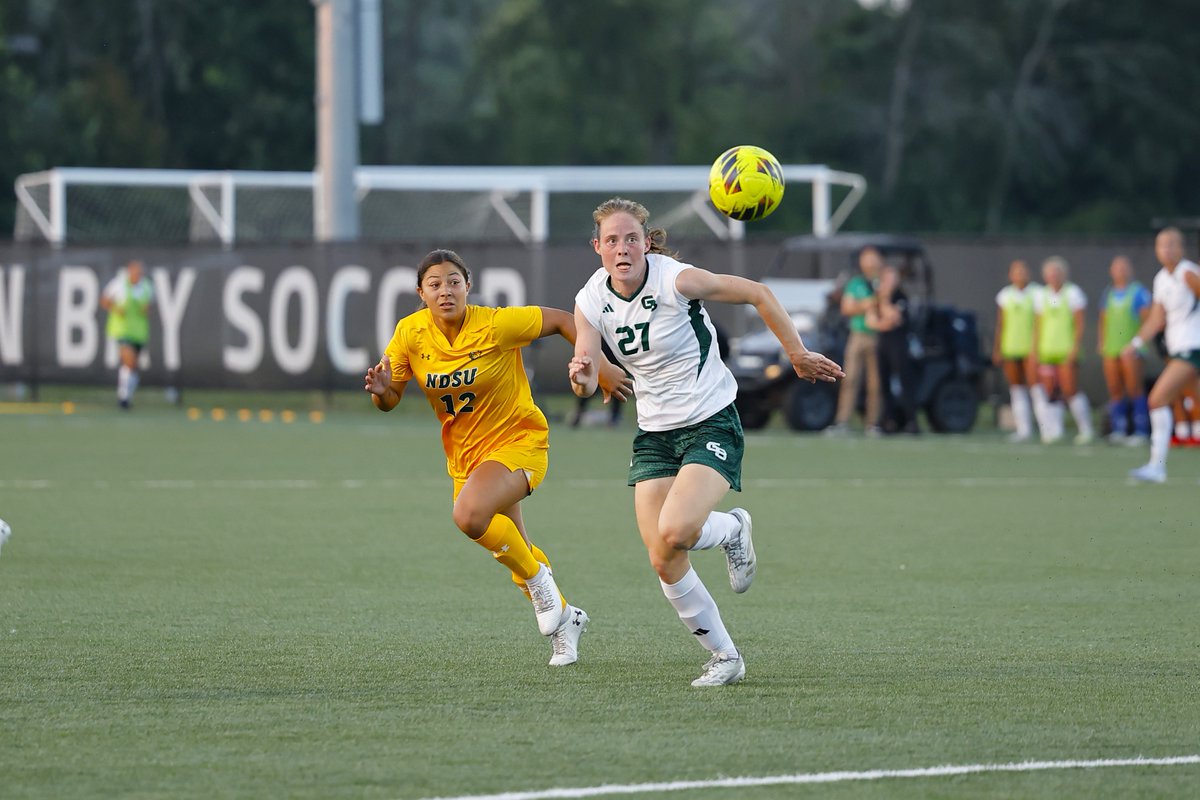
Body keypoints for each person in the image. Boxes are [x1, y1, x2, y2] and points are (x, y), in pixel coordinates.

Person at [567, 198, 843, 687]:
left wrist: (796, 353)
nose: (622, 248)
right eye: (612, 240)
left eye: (631, 238)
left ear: (646, 243)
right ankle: (725, 657)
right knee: (662, 556)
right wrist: (582, 375)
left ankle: (733, 528)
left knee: (676, 530)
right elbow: (586, 381)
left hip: (710, 420)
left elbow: (758, 293)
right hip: (654, 433)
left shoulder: (676, 280)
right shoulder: (590, 299)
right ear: (597, 247)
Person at [364, 249, 631, 665]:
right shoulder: (410, 333)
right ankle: (566, 620)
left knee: (469, 516)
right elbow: (391, 398)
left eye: (454, 282)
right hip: (467, 459)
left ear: (468, 286)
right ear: (421, 293)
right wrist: (383, 392)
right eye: (435, 284)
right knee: (515, 548)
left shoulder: (495, 324)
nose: (445, 290)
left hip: (519, 441)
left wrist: (600, 365)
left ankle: (541, 583)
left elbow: (564, 320)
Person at [1126, 228, 1200, 483]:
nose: (1166, 249)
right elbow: (1157, 319)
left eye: (1171, 244)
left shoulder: (1188, 272)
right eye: (1161, 245)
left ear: (1181, 247)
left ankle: (1157, 468)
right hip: (1179, 349)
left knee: (1157, 399)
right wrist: (1136, 343)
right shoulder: (1161, 279)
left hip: (1193, 349)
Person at [1030, 256, 1094, 444]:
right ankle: (1055, 431)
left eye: (1057, 272)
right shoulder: (1041, 295)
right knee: (1050, 391)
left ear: (1064, 274)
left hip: (1066, 350)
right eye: (1050, 273)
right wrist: (1034, 349)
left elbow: (1080, 324)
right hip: (1046, 350)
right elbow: (1037, 325)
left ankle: (1086, 429)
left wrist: (1075, 347)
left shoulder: (1073, 293)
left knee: (1070, 388)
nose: (1054, 276)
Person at [1096, 255, 1152, 444]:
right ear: (1111, 271)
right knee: (1115, 388)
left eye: (1124, 267)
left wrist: (1139, 344)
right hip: (1111, 348)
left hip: (1132, 349)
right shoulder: (1108, 293)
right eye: (1117, 267)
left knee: (1134, 388)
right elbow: (1103, 320)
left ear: (1130, 270)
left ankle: (1141, 431)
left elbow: (1147, 320)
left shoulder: (1138, 292)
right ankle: (1118, 430)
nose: (1120, 271)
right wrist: (1102, 342)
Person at [827, 246, 882, 435]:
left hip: (878, 337)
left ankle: (873, 423)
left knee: (875, 383)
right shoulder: (856, 283)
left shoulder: (883, 281)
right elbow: (847, 308)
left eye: (873, 258)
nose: (870, 263)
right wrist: (867, 304)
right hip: (858, 335)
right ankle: (842, 421)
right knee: (850, 379)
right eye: (867, 259)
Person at [992, 259, 1039, 442]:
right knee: (1017, 388)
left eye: (1023, 270)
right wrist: (997, 348)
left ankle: (1049, 429)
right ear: (1010, 275)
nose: (1020, 274)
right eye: (1016, 271)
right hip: (1011, 346)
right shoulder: (1005, 295)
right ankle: (1023, 429)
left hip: (1031, 348)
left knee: (1036, 387)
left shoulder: (1037, 293)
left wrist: (1036, 347)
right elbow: (1001, 323)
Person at [100, 259, 154, 410]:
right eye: (135, 272)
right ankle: (123, 397)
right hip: (122, 330)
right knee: (129, 361)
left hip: (139, 332)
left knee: (133, 366)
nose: (137, 275)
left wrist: (146, 310)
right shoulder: (119, 284)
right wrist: (116, 308)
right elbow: (104, 300)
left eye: (139, 272)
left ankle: (127, 396)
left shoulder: (147, 286)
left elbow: (148, 307)